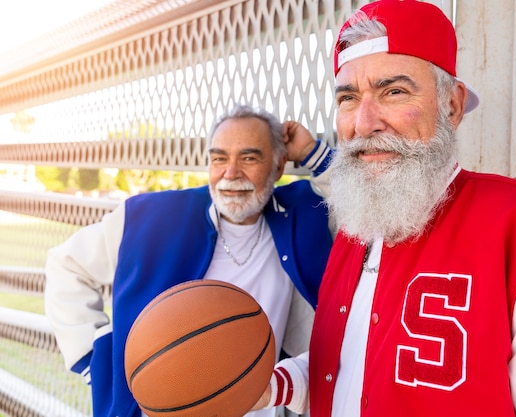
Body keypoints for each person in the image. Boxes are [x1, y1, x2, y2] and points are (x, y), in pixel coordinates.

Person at [254, 1, 516, 416]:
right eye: (348, 97)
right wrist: (272, 387)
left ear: (451, 105)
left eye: (393, 91)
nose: (364, 122)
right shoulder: (358, 226)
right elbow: (350, 365)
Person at [44, 104, 334, 417]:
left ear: (278, 167)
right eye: (219, 158)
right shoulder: (151, 217)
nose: (231, 173)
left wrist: (310, 152)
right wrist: (93, 361)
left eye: (249, 158)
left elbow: (362, 198)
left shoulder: (303, 214)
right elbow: (66, 265)